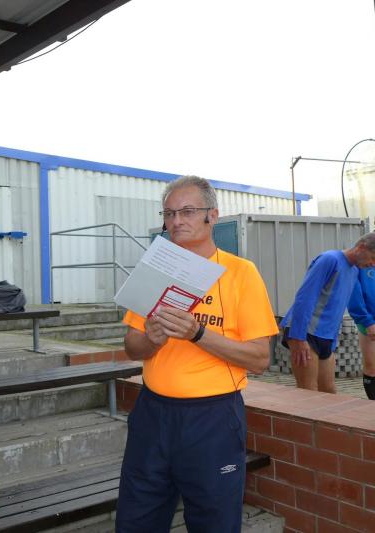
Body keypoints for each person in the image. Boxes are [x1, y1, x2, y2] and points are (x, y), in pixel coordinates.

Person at [116, 176, 279, 533]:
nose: (176, 221)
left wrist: (198, 334)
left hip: (212, 418)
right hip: (152, 414)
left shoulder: (241, 273)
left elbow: (259, 359)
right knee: (135, 519)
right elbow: (131, 346)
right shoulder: (155, 270)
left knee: (214, 522)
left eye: (188, 211)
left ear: (212, 216)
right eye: (169, 213)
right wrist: (153, 340)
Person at [280, 234, 375, 393]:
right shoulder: (330, 259)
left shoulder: (353, 271)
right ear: (361, 247)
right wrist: (298, 337)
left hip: (326, 336)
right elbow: (305, 297)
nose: (373, 264)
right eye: (373, 258)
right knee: (308, 391)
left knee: (329, 392)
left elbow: (337, 308)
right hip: (306, 332)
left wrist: (332, 342)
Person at [346, 266, 375, 399]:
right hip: (370, 321)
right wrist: (367, 321)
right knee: (371, 367)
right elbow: (354, 295)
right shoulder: (362, 262)